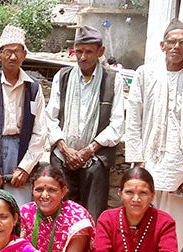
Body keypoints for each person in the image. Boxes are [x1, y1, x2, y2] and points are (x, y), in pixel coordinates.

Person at [126, 19, 183, 249]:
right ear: (162, 45)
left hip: (182, 162)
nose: (176, 47)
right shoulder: (145, 73)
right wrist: (136, 156)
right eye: (171, 42)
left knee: (177, 223)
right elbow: (134, 117)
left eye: (182, 42)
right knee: (145, 217)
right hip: (150, 158)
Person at [46, 25, 125, 220]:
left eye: (88, 52)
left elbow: (117, 124)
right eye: (78, 51)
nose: (82, 57)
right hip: (64, 155)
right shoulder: (63, 77)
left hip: (95, 158)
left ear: (101, 51)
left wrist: (88, 151)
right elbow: (50, 118)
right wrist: (65, 149)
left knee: (92, 215)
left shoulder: (112, 80)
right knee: (60, 213)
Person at [0, 25, 48, 206]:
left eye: (18, 52)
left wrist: (25, 168)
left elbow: (40, 132)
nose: (13, 57)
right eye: (8, 52)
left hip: (22, 151)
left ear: (24, 55)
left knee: (20, 209)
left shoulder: (33, 87)